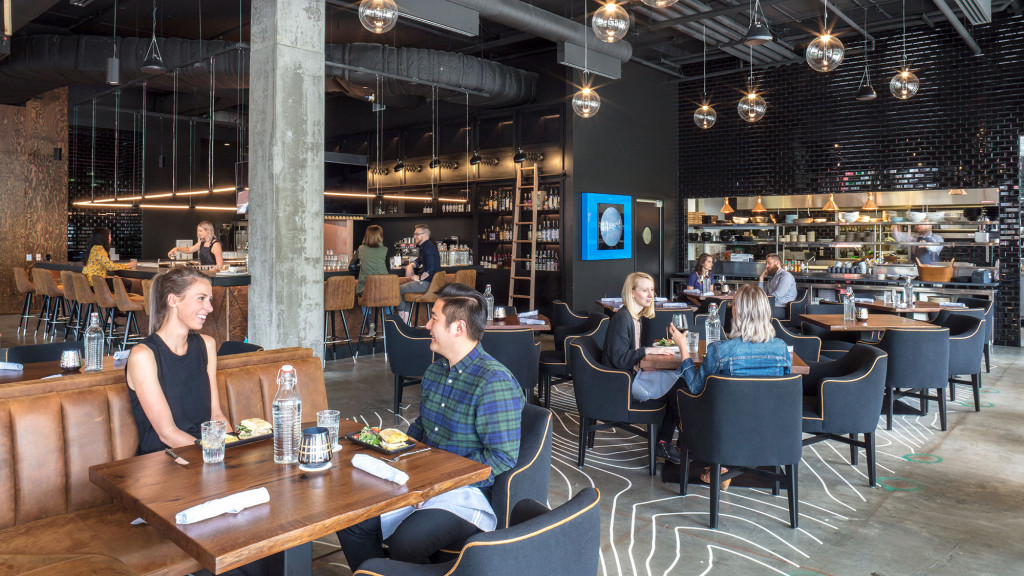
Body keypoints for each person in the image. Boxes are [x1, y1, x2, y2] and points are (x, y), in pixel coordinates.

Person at [337, 283, 525, 570]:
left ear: (458, 328)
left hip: (466, 492)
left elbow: (502, 456)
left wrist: (440, 480)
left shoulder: (493, 381)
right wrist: (394, 452)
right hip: (423, 478)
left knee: (408, 541)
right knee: (350, 519)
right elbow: (422, 427)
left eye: (434, 318)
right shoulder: (435, 371)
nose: (426, 326)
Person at [668, 284, 791, 488]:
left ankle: (719, 466)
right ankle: (724, 467)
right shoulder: (781, 348)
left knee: (683, 392)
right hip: (770, 427)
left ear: (737, 312)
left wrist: (683, 348)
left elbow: (696, 388)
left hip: (725, 430)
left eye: (733, 305)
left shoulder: (720, 350)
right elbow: (783, 391)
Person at [603, 272, 682, 464]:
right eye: (645, 290)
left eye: (652, 290)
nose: (651, 295)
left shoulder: (635, 318)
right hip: (622, 385)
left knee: (678, 380)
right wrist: (646, 351)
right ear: (632, 293)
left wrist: (643, 364)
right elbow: (619, 359)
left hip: (633, 376)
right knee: (678, 389)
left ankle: (670, 441)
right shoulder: (622, 318)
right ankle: (668, 442)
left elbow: (629, 355)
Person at [397, 224, 440, 323]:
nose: (414, 236)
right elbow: (420, 260)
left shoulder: (428, 249)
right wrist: (411, 265)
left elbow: (430, 269)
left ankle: (403, 319)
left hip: (427, 284)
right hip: (430, 283)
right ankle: (406, 320)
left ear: (425, 235)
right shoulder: (427, 247)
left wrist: (420, 278)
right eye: (414, 234)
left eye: (417, 234)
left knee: (397, 289)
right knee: (403, 289)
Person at [354, 225, 389, 294]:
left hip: (365, 290)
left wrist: (363, 267)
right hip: (384, 288)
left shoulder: (361, 249)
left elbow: (351, 266)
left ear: (367, 236)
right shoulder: (385, 250)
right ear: (380, 236)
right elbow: (388, 268)